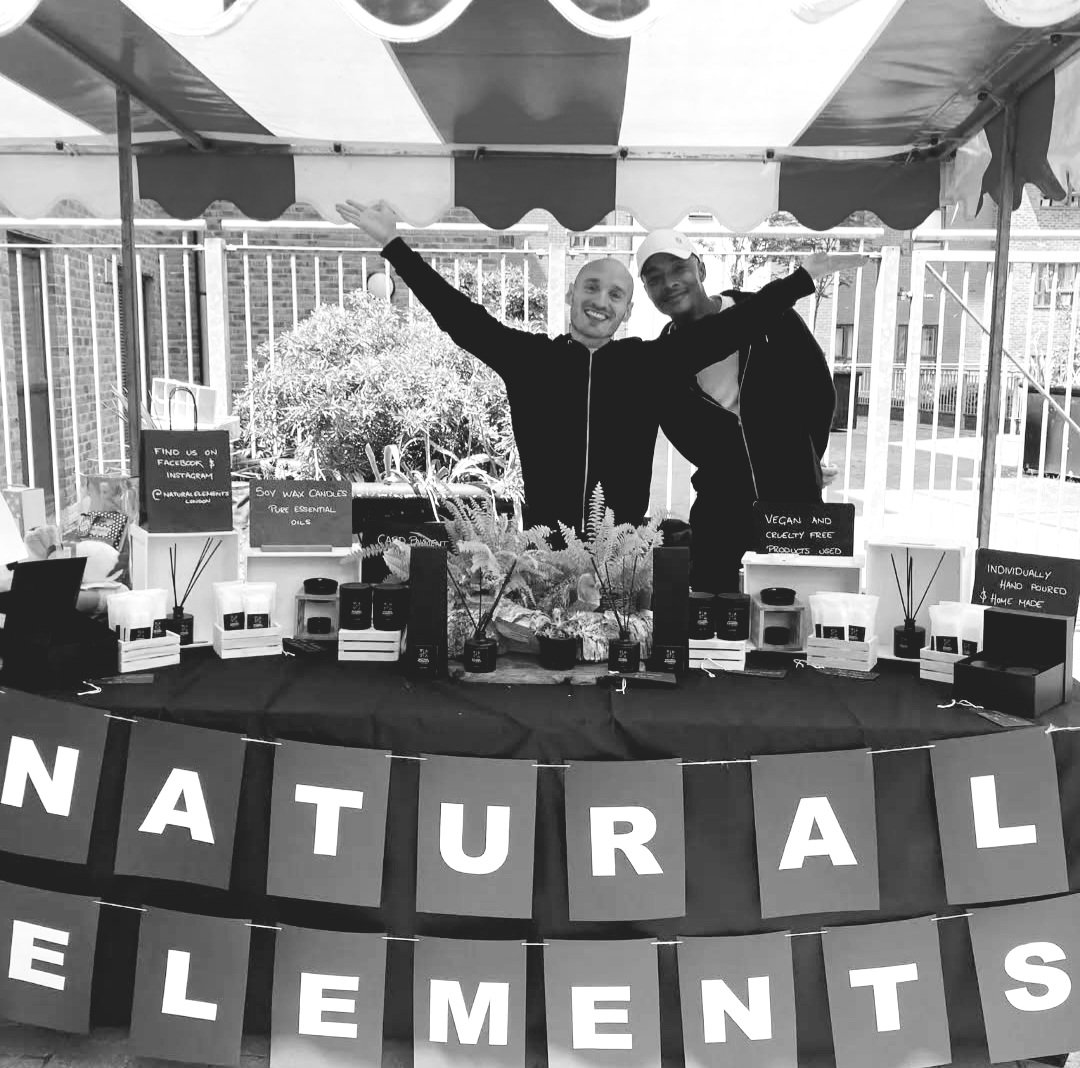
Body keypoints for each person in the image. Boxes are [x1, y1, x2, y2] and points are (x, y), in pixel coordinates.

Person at [337, 200, 852, 534]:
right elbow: (461, 318)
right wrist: (394, 246)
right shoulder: (529, 359)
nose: (600, 302)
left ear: (628, 311)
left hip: (621, 550)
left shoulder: (648, 363)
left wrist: (799, 281)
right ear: (570, 294)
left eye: (616, 295)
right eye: (591, 287)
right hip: (545, 544)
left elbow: (728, 330)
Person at [637, 229, 852, 592]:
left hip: (793, 505)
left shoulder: (769, 314)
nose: (669, 283)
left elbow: (818, 390)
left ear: (700, 269)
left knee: (797, 604)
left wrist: (803, 456)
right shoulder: (664, 358)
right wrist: (728, 465)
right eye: (654, 278)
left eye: (678, 268)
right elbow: (684, 435)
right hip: (720, 511)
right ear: (646, 291)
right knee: (713, 608)